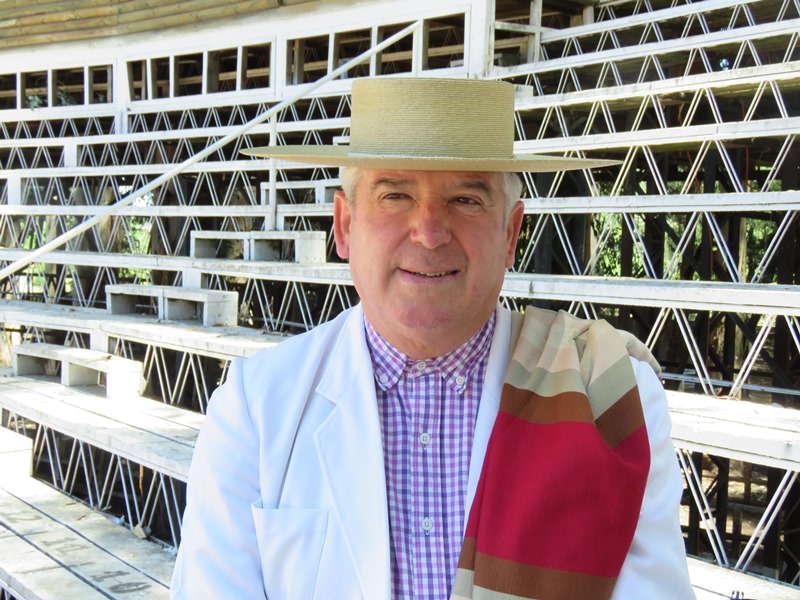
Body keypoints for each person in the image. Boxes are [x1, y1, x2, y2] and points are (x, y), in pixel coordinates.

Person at [171, 77, 694, 600]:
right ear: (345, 225)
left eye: (465, 199)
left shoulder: (610, 398)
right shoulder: (254, 407)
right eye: (395, 195)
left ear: (510, 234)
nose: (429, 230)